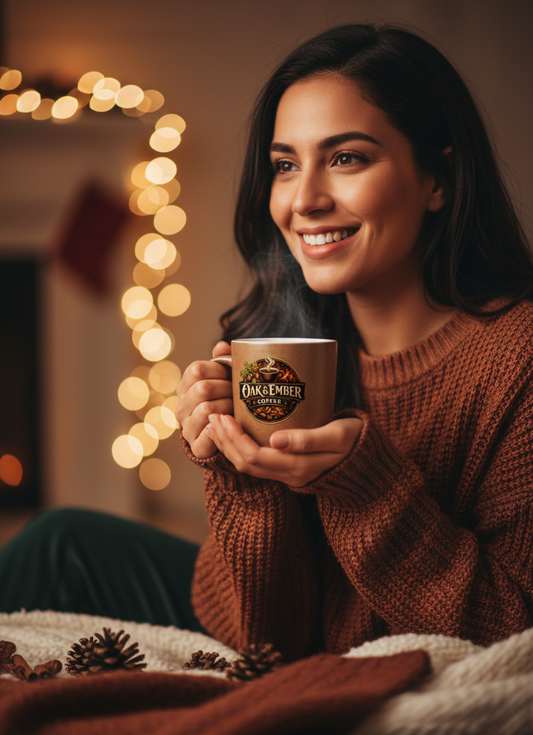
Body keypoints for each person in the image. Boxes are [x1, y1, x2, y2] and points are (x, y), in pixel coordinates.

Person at [1, 22, 532, 651]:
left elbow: (511, 634)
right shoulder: (277, 339)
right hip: (300, 631)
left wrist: (365, 483)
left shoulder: (515, 358)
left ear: (437, 179)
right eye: (285, 165)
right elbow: (256, 639)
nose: (303, 200)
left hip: (393, 652)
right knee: (57, 539)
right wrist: (237, 475)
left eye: (346, 158)